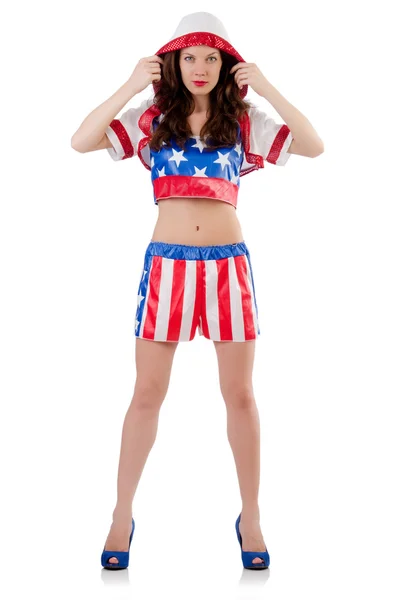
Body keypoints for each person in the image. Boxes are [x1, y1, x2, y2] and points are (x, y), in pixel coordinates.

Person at [71, 11, 324, 571]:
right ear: (173, 63)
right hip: (167, 268)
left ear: (227, 65)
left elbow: (314, 145)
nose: (201, 67)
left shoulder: (244, 122)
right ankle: (120, 514)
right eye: (190, 57)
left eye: (213, 57)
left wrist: (268, 84)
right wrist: (132, 84)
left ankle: (251, 516)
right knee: (146, 395)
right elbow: (81, 140)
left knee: (240, 396)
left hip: (228, 270)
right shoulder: (151, 118)